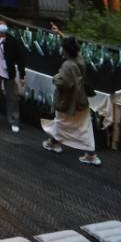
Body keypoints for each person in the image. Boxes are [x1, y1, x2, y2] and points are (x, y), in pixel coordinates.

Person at [42, 30, 100, 166]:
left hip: (68, 101)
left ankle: (54, 143)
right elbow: (72, 44)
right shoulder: (80, 59)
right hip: (81, 98)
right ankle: (90, 154)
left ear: (65, 50)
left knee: (60, 122)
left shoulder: (67, 65)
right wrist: (59, 33)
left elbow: (64, 83)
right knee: (84, 126)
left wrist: (55, 78)